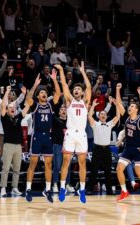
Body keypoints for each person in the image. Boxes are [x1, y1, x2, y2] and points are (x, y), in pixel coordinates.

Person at [55, 62, 91, 204]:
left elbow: (88, 87)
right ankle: (62, 187)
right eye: (75, 88)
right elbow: (64, 85)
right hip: (70, 134)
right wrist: (61, 71)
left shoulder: (85, 102)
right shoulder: (69, 101)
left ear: (81, 93)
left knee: (82, 163)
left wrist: (83, 72)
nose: (76, 90)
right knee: (66, 162)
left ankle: (82, 189)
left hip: (82, 135)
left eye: (78, 89)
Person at [25, 69, 61, 203]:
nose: (44, 94)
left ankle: (47, 190)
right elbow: (28, 98)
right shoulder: (34, 105)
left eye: (45, 92)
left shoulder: (51, 105)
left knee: (48, 165)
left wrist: (54, 80)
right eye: (41, 92)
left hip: (48, 137)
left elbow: (58, 93)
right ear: (38, 96)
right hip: (37, 136)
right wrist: (35, 85)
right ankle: (28, 189)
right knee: (33, 163)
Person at [115, 83, 140, 203]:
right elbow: (119, 103)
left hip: (137, 150)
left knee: (138, 172)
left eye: (132, 106)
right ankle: (124, 191)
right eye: (129, 106)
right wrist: (117, 89)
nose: (129, 108)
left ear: (136, 109)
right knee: (119, 169)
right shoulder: (126, 117)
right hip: (127, 149)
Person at [0, 86, 29, 197]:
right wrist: (7, 91)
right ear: (7, 110)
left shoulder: (18, 117)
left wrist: (25, 94)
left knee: (17, 169)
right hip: (8, 145)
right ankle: (3, 188)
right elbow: (3, 105)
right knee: (6, 168)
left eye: (14, 107)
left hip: (18, 146)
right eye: (10, 107)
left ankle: (15, 188)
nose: (12, 108)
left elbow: (26, 108)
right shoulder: (4, 117)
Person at [87, 97, 120, 195]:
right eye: (101, 114)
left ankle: (109, 190)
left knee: (108, 171)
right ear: (99, 116)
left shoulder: (109, 124)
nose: (103, 115)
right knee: (94, 170)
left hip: (107, 150)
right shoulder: (95, 124)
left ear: (106, 116)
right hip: (97, 149)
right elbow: (89, 116)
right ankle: (89, 189)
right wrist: (93, 106)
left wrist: (117, 105)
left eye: (104, 114)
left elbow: (118, 116)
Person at [52, 104, 74, 193]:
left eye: (65, 109)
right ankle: (55, 184)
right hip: (58, 145)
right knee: (57, 165)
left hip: (68, 146)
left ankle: (67, 184)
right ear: (59, 112)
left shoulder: (70, 122)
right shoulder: (55, 120)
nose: (63, 110)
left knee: (68, 166)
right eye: (62, 109)